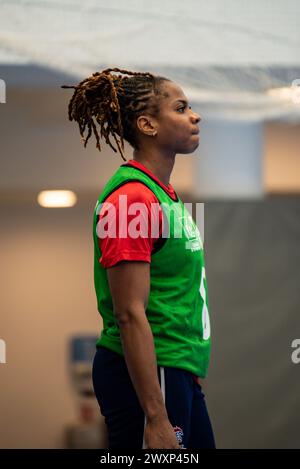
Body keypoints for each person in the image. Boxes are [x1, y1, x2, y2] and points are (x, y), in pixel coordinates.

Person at [62, 67, 216, 449]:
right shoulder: (133, 199)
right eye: (181, 108)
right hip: (152, 375)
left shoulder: (163, 196)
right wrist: (157, 414)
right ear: (147, 124)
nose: (194, 116)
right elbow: (129, 312)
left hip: (175, 369)